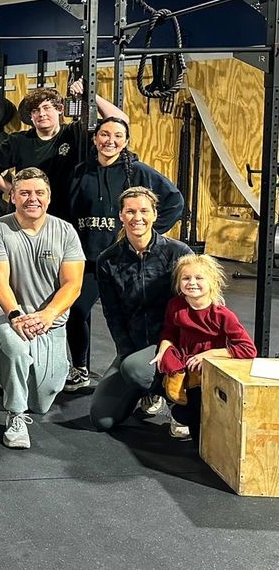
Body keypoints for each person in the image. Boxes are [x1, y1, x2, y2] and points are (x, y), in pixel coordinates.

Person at [65, 117, 184, 390]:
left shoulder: (138, 171)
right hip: (89, 258)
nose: (110, 141)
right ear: (95, 139)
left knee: (139, 313)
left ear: (126, 141)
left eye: (118, 135)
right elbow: (70, 212)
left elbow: (174, 201)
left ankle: (149, 374)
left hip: (124, 258)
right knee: (76, 311)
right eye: (104, 134)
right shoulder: (81, 171)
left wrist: (147, 232)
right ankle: (80, 368)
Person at [0, 167, 85, 450]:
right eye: (24, 193)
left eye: (39, 193)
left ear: (49, 198)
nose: (32, 199)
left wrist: (47, 315)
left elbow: (73, 285)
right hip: (7, 313)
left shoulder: (65, 231)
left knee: (42, 400)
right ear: (12, 196)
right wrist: (16, 316)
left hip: (49, 319)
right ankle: (15, 416)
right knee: (16, 349)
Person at [89, 187, 193, 434]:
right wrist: (126, 353)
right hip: (136, 346)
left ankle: (178, 407)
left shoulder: (178, 253)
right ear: (121, 216)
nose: (138, 217)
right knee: (101, 419)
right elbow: (112, 314)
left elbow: (198, 304)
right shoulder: (108, 260)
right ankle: (149, 387)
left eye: (144, 211)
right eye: (130, 211)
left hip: (174, 345)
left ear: (155, 214)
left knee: (136, 368)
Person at [0, 81, 128, 220]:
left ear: (60, 109)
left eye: (47, 108)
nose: (41, 114)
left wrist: (91, 95)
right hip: (30, 215)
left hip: (68, 214)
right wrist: (12, 190)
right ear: (31, 116)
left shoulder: (75, 133)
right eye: (35, 110)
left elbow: (121, 121)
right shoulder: (18, 141)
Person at [150, 254, 256, 443]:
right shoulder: (176, 306)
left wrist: (209, 354)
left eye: (199, 278)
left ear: (212, 281)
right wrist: (163, 349)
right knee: (179, 399)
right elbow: (169, 332)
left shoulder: (222, 315)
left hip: (207, 368)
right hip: (184, 360)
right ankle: (174, 403)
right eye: (186, 278)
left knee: (200, 420)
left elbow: (248, 349)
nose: (192, 283)